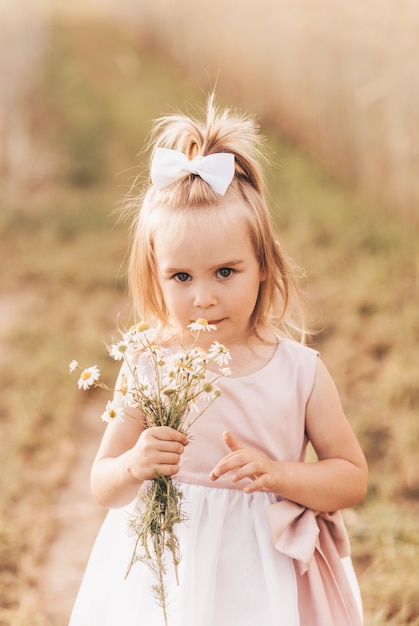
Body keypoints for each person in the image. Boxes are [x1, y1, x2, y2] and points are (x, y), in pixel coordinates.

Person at [69, 95, 368, 626]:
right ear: (156, 278)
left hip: (267, 576)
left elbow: (351, 478)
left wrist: (280, 474)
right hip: (171, 576)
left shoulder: (299, 371)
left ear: (263, 269)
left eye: (225, 272)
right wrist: (136, 463)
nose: (203, 297)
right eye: (182, 277)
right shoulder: (149, 364)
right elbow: (102, 483)